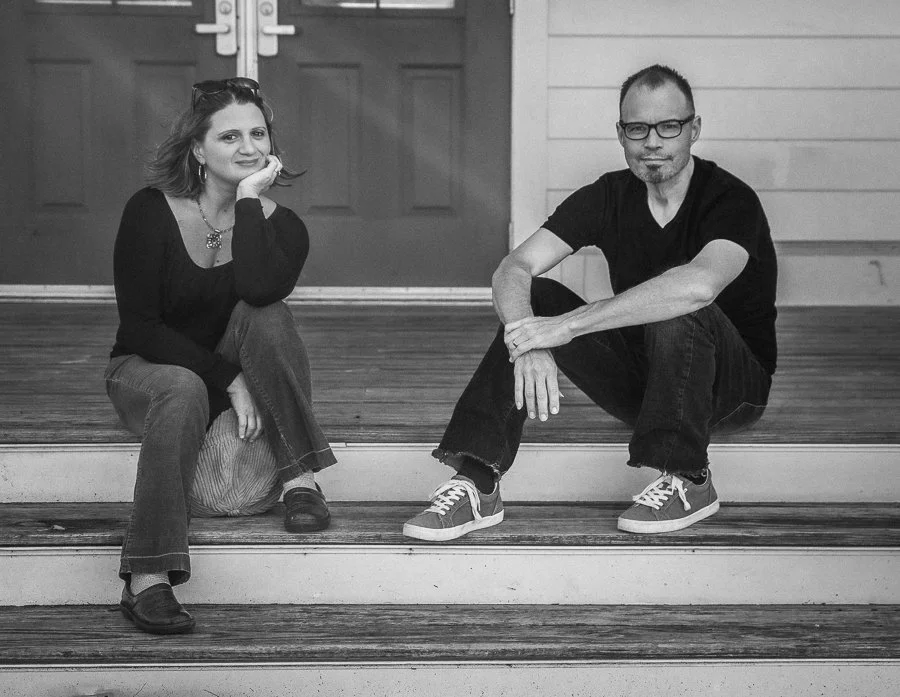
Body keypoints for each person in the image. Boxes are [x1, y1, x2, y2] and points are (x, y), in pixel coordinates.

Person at [403, 64, 776, 542]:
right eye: (637, 129)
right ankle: (477, 479)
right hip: (648, 383)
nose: (653, 142)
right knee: (534, 298)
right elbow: (513, 268)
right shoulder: (608, 196)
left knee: (678, 302)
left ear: (694, 129)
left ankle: (690, 477)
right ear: (621, 134)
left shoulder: (730, 200)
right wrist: (530, 339)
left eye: (669, 127)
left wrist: (566, 328)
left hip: (732, 389)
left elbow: (699, 285)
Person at [104, 77, 336, 634]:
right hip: (147, 369)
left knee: (270, 315)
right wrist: (227, 377)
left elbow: (258, 291)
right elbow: (139, 327)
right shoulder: (149, 211)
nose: (249, 147)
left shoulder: (285, 227)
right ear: (197, 149)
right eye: (230, 136)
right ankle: (147, 578)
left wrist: (250, 200)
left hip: (230, 361)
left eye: (258, 134)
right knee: (182, 387)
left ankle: (299, 480)